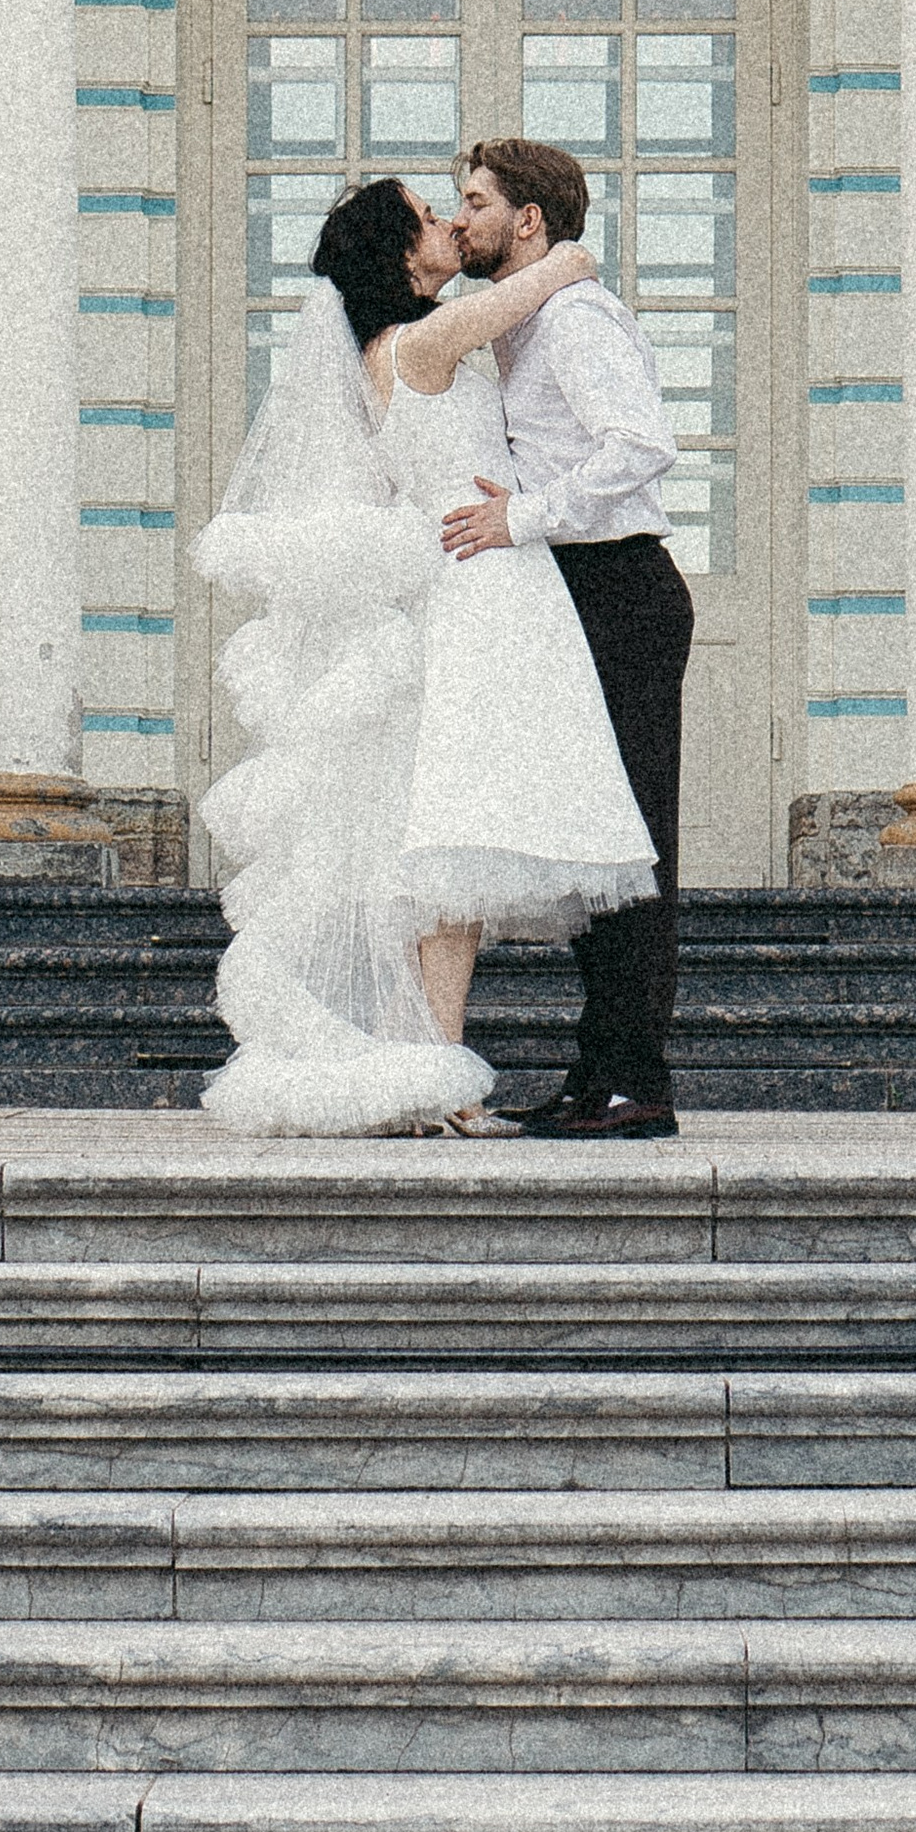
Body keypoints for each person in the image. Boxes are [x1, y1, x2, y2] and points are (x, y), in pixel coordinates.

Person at [194, 176, 656, 1139]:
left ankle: (434, 1074)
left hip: (477, 582)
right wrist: (567, 253)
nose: (451, 222)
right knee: (452, 852)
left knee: (450, 862)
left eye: (460, 206)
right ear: (405, 257)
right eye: (432, 217)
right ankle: (440, 1082)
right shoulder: (422, 340)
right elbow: (532, 290)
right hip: (481, 588)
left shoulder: (390, 346)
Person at [442, 138, 691, 1140]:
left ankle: (634, 1080)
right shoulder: (517, 320)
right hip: (573, 590)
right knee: (595, 839)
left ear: (529, 221)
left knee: (630, 845)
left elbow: (641, 446)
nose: (459, 220)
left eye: (473, 202)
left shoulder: (576, 317)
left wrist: (524, 515)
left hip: (619, 587)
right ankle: (601, 1075)